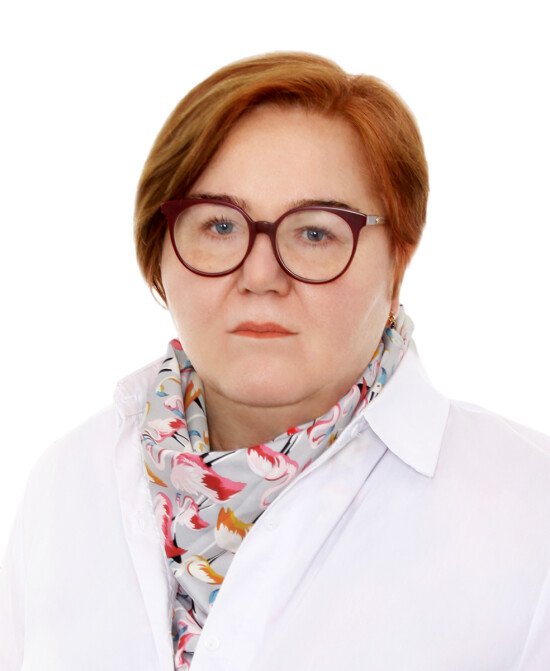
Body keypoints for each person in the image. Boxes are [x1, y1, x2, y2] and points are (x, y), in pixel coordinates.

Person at [1, 51, 550, 671]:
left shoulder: (530, 512)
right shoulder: (67, 486)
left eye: (315, 232)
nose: (260, 275)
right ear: (159, 251)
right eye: (219, 226)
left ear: (399, 259)